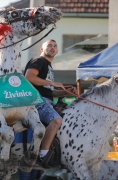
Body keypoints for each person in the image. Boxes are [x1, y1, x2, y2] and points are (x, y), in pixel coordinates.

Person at [24, 39, 76, 167]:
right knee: (56, 120)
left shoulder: (49, 67)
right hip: (35, 100)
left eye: (55, 46)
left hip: (45, 99)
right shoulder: (39, 61)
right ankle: (43, 155)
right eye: (49, 46)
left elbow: (49, 92)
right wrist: (52, 83)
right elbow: (28, 77)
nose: (52, 48)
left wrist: (65, 92)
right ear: (42, 49)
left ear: (57, 50)